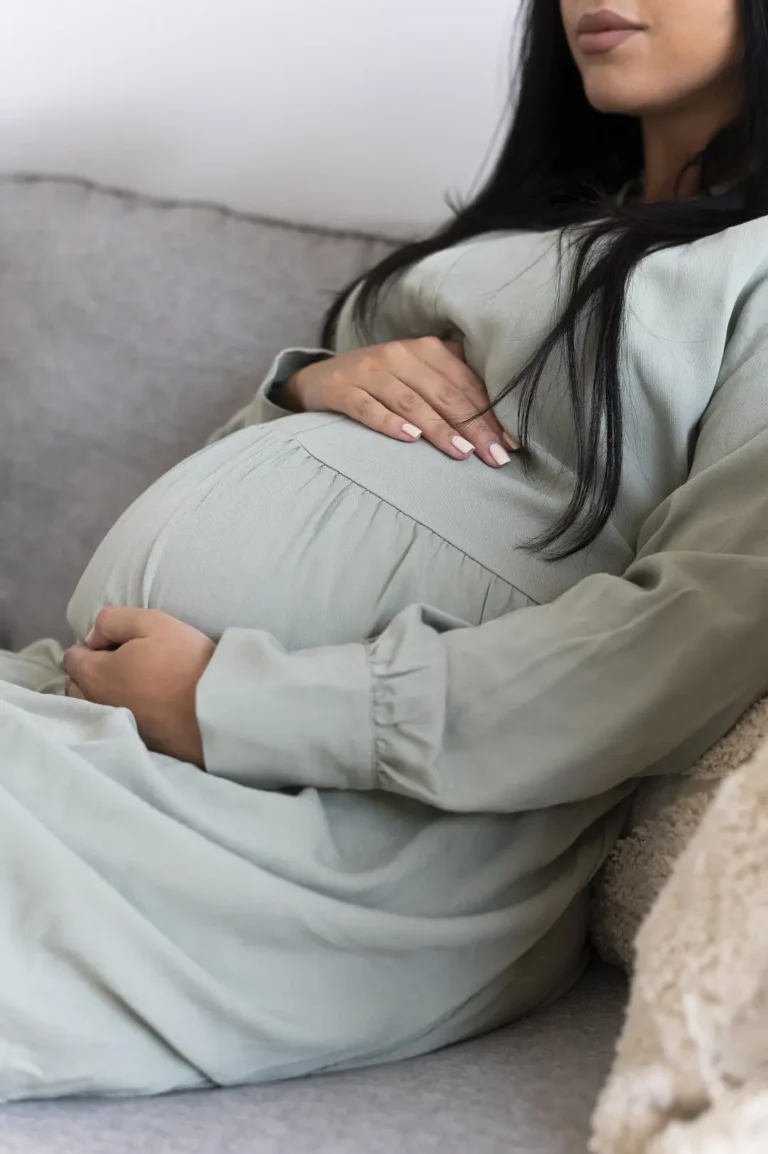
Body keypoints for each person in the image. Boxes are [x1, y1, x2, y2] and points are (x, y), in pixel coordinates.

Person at [1, 0, 766, 1101]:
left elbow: (694, 640)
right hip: (110, 719)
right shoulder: (516, 239)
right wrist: (305, 386)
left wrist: (235, 700)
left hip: (353, 831)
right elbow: (275, 468)